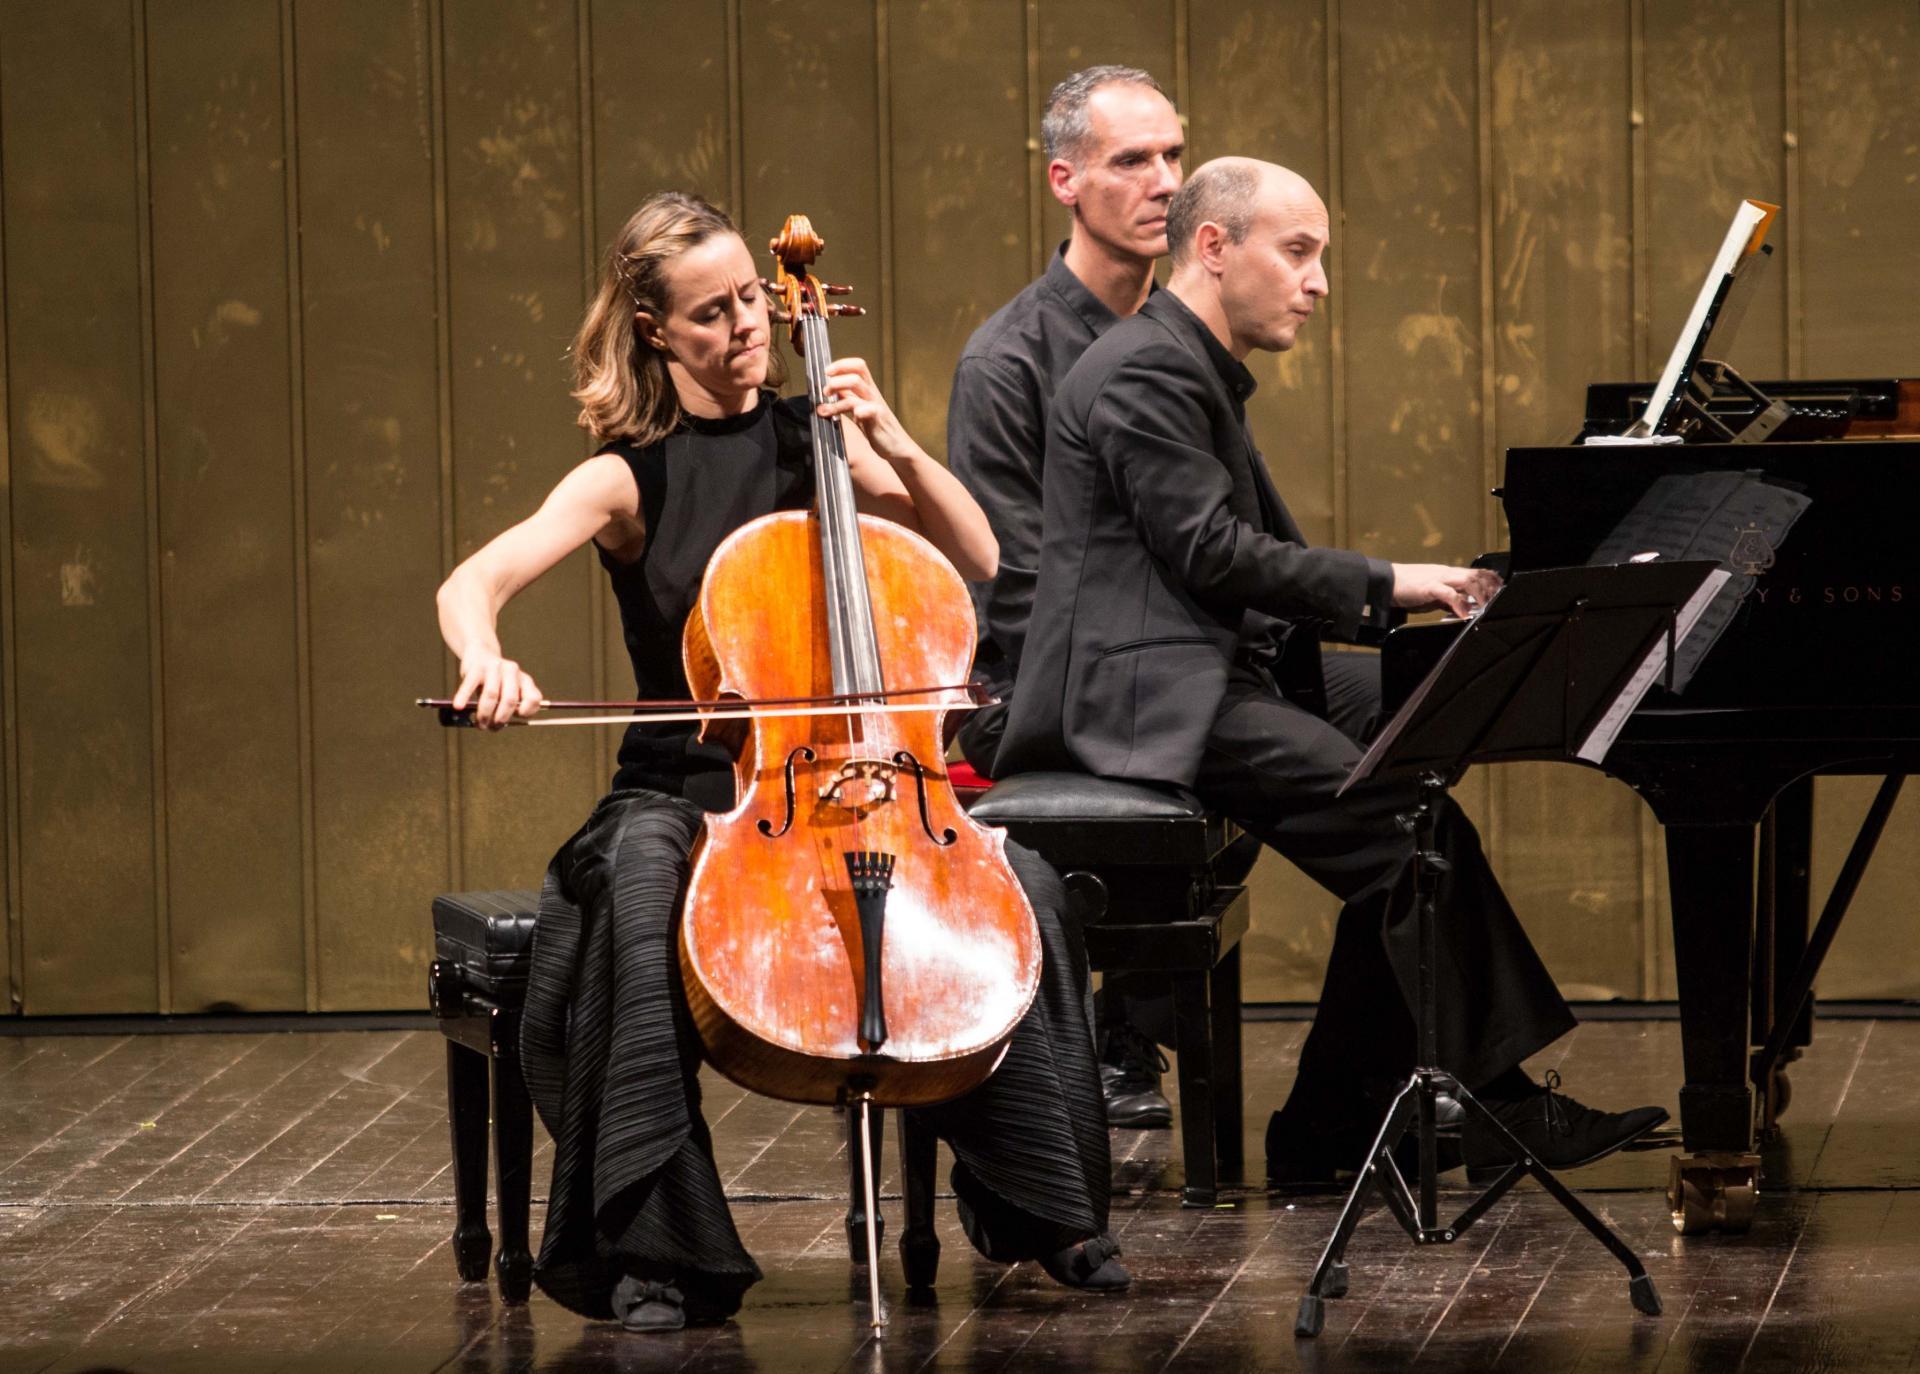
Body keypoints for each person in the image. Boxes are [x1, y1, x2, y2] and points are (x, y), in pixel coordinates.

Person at [435, 191, 1124, 1332]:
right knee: (640, 881)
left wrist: (894, 441)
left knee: (1028, 886)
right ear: (657, 332)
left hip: (862, 785)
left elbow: (985, 552)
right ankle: (660, 1249)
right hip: (683, 792)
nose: (747, 327)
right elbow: (476, 582)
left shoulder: (822, 443)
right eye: (712, 315)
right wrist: (483, 656)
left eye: (753, 299)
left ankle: (1045, 1206)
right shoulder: (629, 477)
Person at [997, 158, 1670, 1188]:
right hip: (1142, 697)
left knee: (1428, 724)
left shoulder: (1181, 358)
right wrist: (1396, 584)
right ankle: (1480, 1106)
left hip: (1204, 668)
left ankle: (1331, 1129)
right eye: (1298, 253)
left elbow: (1225, 567)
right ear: (1214, 248)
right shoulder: (1146, 370)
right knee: (1408, 826)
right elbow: (1213, 555)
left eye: (1321, 258)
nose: (1316, 283)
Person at [947, 64, 1219, 1129]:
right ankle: (1120, 1030)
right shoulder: (1006, 360)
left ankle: (1398, 1078)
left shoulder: (1184, 334)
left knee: (1393, 740)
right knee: (1229, 719)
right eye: (1132, 162)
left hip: (1164, 658)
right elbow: (1014, 586)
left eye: (1174, 156)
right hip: (1048, 681)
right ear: (1066, 180)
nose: (1166, 184)